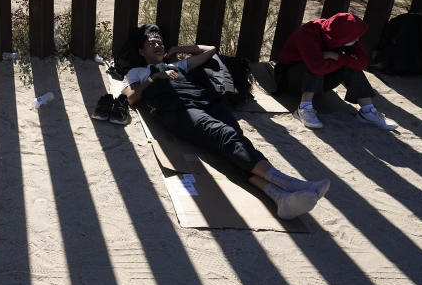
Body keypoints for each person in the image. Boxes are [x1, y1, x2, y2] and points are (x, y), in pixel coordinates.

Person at [122, 25, 329, 220]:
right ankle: (292, 184)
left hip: (206, 102)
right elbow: (130, 98)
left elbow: (210, 50)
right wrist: (154, 78)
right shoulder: (138, 73)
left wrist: (177, 48)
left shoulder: (178, 65)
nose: (158, 45)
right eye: (152, 43)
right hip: (181, 110)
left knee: (234, 140)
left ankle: (278, 196)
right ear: (141, 51)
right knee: (224, 135)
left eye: (160, 42)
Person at [276, 12, 397, 130]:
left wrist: (337, 57)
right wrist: (344, 60)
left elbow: (363, 62)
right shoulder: (308, 33)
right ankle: (303, 109)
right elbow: (317, 66)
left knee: (348, 64)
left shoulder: (346, 36)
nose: (357, 39)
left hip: (319, 83)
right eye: (355, 37)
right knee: (316, 63)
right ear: (339, 35)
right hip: (290, 80)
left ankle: (368, 111)